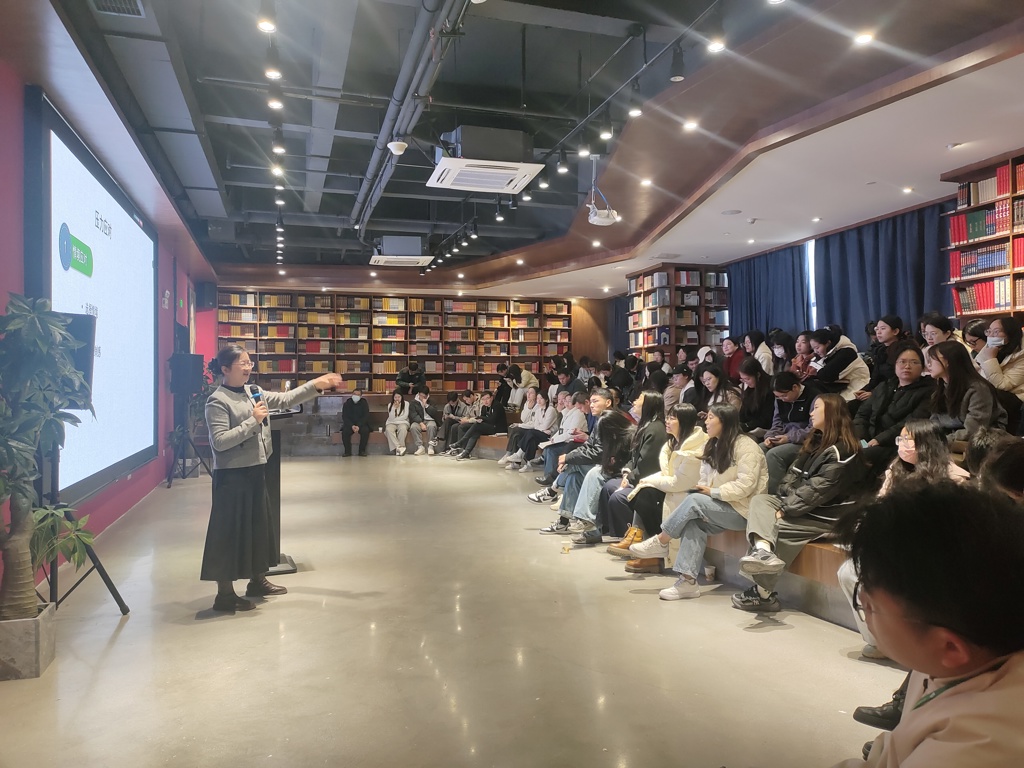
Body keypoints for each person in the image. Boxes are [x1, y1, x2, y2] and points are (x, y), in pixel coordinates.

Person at [829, 481, 1024, 768]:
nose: (863, 601)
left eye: (870, 605)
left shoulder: (976, 745)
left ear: (950, 648)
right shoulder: (952, 660)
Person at [201, 344, 343, 612]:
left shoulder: (253, 391)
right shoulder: (217, 401)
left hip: (256, 469)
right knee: (229, 533)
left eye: (249, 362)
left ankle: (257, 581)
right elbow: (219, 442)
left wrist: (316, 384)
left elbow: (286, 399)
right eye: (242, 363)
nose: (248, 367)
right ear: (225, 369)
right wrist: (252, 421)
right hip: (232, 476)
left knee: (258, 527)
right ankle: (225, 595)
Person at [838, 419, 971, 661]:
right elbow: (879, 507)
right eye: (900, 439)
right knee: (848, 571)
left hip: (932, 555)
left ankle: (912, 644)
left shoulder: (955, 478)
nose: (901, 444)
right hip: (892, 549)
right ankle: (878, 641)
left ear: (926, 444)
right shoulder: (896, 469)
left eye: (907, 439)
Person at [732, 393, 864, 612]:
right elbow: (792, 476)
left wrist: (785, 508)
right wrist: (784, 500)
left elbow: (818, 490)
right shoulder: (817, 441)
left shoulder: (844, 451)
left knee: (776, 528)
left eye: (816, 408)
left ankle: (763, 594)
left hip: (831, 516)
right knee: (761, 501)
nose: (811, 413)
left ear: (832, 412)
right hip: (808, 508)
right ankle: (763, 552)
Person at [628, 403, 768, 601]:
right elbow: (703, 480)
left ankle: (661, 541)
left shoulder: (747, 447)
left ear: (724, 421)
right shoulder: (712, 445)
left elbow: (747, 485)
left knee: (693, 500)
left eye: (711, 418)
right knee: (693, 522)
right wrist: (707, 491)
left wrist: (713, 492)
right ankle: (687, 582)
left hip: (744, 510)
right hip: (720, 505)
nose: (706, 422)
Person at [606, 403, 708, 562]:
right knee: (643, 493)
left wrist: (648, 481)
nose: (667, 421)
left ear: (685, 421)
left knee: (647, 494)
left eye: (672, 418)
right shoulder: (672, 443)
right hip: (673, 489)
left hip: (689, 493)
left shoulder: (697, 446)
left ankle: (651, 549)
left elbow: (679, 483)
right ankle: (641, 541)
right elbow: (667, 473)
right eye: (667, 417)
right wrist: (646, 481)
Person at [852, 342, 934, 477]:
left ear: (922, 367)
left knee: (861, 457)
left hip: (896, 444)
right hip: (869, 439)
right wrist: (860, 437)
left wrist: (880, 439)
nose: (907, 366)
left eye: (914, 362)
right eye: (902, 361)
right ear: (895, 365)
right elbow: (862, 414)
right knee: (840, 449)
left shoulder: (928, 391)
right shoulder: (884, 386)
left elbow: (911, 423)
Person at [565, 409, 639, 546]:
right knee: (575, 475)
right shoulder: (614, 436)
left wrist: (619, 468)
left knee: (594, 473)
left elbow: (631, 462)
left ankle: (583, 520)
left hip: (625, 474)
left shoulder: (632, 436)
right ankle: (580, 522)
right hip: (613, 469)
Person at [927, 340, 1007, 442]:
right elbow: (934, 423)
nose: (928, 365)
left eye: (932, 360)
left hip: (984, 440)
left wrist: (941, 441)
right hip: (951, 439)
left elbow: (975, 430)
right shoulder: (940, 389)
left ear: (948, 362)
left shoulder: (978, 389)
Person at [760, 372, 824, 493]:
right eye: (778, 397)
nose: (782, 399)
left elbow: (813, 429)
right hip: (784, 437)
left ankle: (775, 494)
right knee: (760, 448)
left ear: (795, 387)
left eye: (784, 395)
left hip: (806, 441)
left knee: (774, 455)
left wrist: (789, 438)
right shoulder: (779, 399)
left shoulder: (814, 397)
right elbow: (777, 422)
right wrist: (770, 436)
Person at [975, 315, 1024, 432]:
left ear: (1010, 334)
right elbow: (976, 369)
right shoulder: (991, 347)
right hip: (994, 394)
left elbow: (1003, 385)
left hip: (1014, 398)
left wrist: (990, 359)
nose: (991, 336)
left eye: (996, 332)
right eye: (989, 331)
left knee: (984, 395)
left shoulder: (1021, 355)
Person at [806, 326, 871, 401]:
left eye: (817, 348)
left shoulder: (847, 352)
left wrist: (815, 371)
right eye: (813, 349)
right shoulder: (831, 351)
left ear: (828, 343)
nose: (815, 351)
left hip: (859, 387)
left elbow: (826, 375)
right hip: (843, 387)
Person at [502, 388, 559, 470]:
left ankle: (518, 454)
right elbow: (536, 425)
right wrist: (542, 428)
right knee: (531, 439)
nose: (539, 401)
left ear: (546, 400)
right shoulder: (538, 410)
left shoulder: (551, 410)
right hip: (540, 433)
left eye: (541, 398)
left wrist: (543, 429)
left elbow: (545, 426)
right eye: (538, 398)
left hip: (549, 436)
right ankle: (528, 464)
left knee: (531, 433)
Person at [855, 315, 906, 398]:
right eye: (877, 329)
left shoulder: (903, 350)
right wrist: (864, 390)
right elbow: (875, 378)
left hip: (894, 394)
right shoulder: (880, 350)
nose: (878, 332)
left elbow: (897, 381)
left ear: (895, 331)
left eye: (883, 328)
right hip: (880, 391)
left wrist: (874, 393)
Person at [449, 390, 507, 460]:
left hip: (498, 428)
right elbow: (482, 419)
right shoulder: (484, 407)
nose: (485, 401)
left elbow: (492, 420)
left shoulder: (497, 406)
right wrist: (480, 419)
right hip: (488, 426)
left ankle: (461, 442)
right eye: (483, 399)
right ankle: (466, 452)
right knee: (475, 431)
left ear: (491, 398)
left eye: (487, 398)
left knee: (477, 426)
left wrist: (481, 418)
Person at [496, 385, 538, 465]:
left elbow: (534, 424)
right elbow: (523, 419)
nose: (528, 395)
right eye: (528, 392)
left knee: (516, 430)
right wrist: (528, 408)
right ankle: (515, 462)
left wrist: (520, 425)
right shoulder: (527, 403)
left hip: (533, 429)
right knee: (516, 435)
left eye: (531, 393)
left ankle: (509, 454)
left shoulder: (538, 405)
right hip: (526, 427)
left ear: (536, 395)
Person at [737, 357, 774, 439]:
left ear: (758, 375)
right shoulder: (750, 389)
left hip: (764, 430)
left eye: (747, 379)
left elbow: (766, 419)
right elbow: (743, 412)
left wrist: (747, 425)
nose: (745, 382)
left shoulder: (770, 388)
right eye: (743, 380)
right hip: (750, 426)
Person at [408, 386, 441, 455]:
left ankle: (431, 446)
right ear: (418, 394)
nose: (422, 398)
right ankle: (420, 447)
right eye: (421, 395)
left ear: (427, 395)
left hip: (430, 420)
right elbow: (413, 414)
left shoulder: (432, 401)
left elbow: (435, 413)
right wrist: (421, 423)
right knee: (413, 427)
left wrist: (426, 405)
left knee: (432, 426)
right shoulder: (414, 402)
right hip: (418, 421)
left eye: (424, 396)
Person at [340, 389, 370, 457]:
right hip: (350, 424)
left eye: (358, 395)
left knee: (365, 431)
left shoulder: (364, 403)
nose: (356, 396)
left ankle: (362, 451)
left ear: (361, 396)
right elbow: (345, 416)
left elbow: (366, 416)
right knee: (345, 432)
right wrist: (352, 426)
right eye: (354, 394)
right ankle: (347, 451)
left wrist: (359, 425)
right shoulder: (347, 403)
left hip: (361, 424)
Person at [384, 389, 411, 455]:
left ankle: (399, 449)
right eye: (395, 397)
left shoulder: (406, 403)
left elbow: (405, 416)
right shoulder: (390, 405)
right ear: (393, 397)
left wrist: (396, 419)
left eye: (399, 397)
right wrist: (395, 408)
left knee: (402, 429)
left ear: (401, 397)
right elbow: (391, 417)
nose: (397, 399)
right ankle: (399, 448)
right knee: (388, 430)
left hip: (403, 422)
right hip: (391, 423)